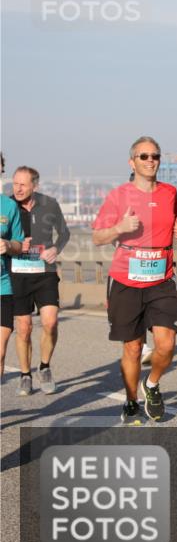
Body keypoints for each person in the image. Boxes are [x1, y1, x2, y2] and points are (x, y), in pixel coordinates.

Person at [92, 136, 177, 424]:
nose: (150, 160)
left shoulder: (170, 193)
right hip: (126, 280)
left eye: (155, 155)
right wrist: (119, 228)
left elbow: (174, 222)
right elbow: (97, 237)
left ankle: (152, 384)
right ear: (132, 162)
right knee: (132, 348)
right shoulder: (118, 196)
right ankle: (131, 400)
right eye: (143, 156)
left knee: (166, 344)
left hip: (161, 279)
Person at [10, 166, 70, 396]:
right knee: (23, 328)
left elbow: (64, 233)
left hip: (45, 272)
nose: (18, 188)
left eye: (23, 185)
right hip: (18, 273)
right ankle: (25, 375)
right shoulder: (7, 205)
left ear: (34, 186)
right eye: (15, 183)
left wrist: (56, 248)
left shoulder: (49, 204)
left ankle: (44, 367)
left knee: (50, 322)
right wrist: (13, 245)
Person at [0, 154, 25, 386]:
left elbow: (19, 244)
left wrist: (8, 245)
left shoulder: (9, 206)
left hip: (3, 285)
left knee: (0, 352)